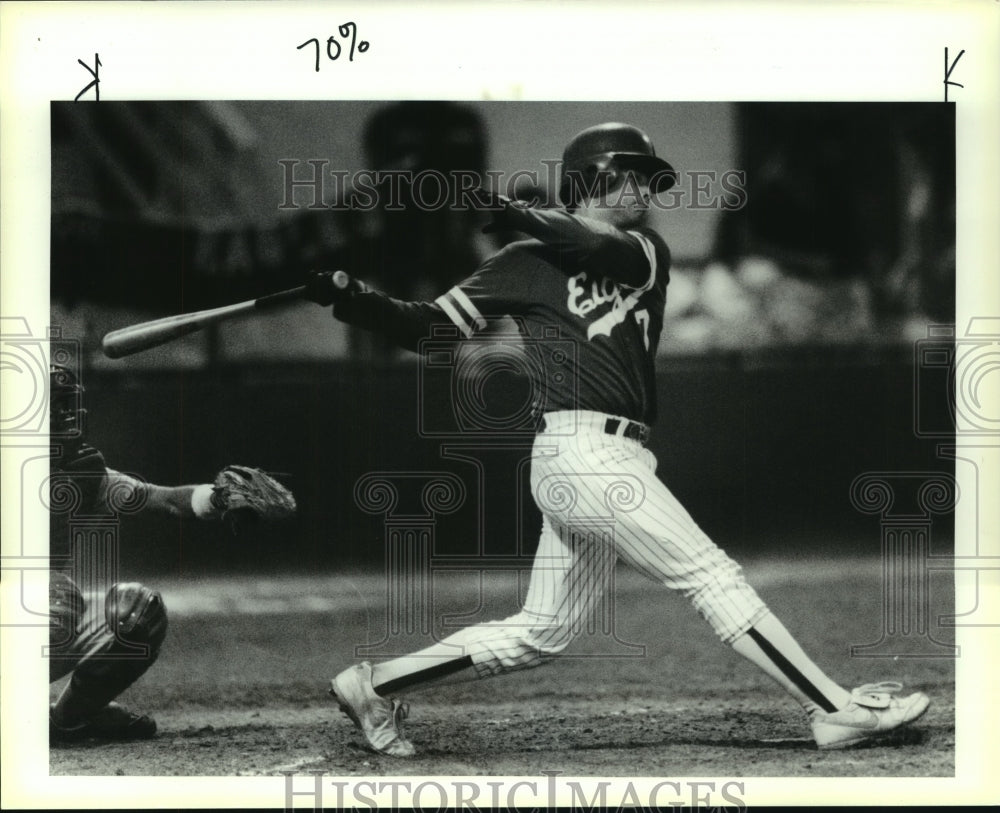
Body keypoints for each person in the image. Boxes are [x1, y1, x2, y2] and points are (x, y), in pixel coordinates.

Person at [304, 122, 930, 756]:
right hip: (580, 454)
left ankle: (371, 686)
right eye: (629, 176)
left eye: (646, 178)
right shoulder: (521, 265)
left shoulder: (644, 251)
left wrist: (520, 212)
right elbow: (427, 330)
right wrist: (353, 298)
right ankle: (834, 708)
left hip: (606, 456)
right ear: (591, 181)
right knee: (711, 575)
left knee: (541, 632)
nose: (643, 190)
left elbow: (587, 240)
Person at [47, 364, 295, 742]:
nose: (65, 419)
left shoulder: (81, 476)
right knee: (53, 598)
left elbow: (166, 501)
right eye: (52, 409)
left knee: (135, 614)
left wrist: (219, 497)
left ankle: (67, 721)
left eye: (66, 407)